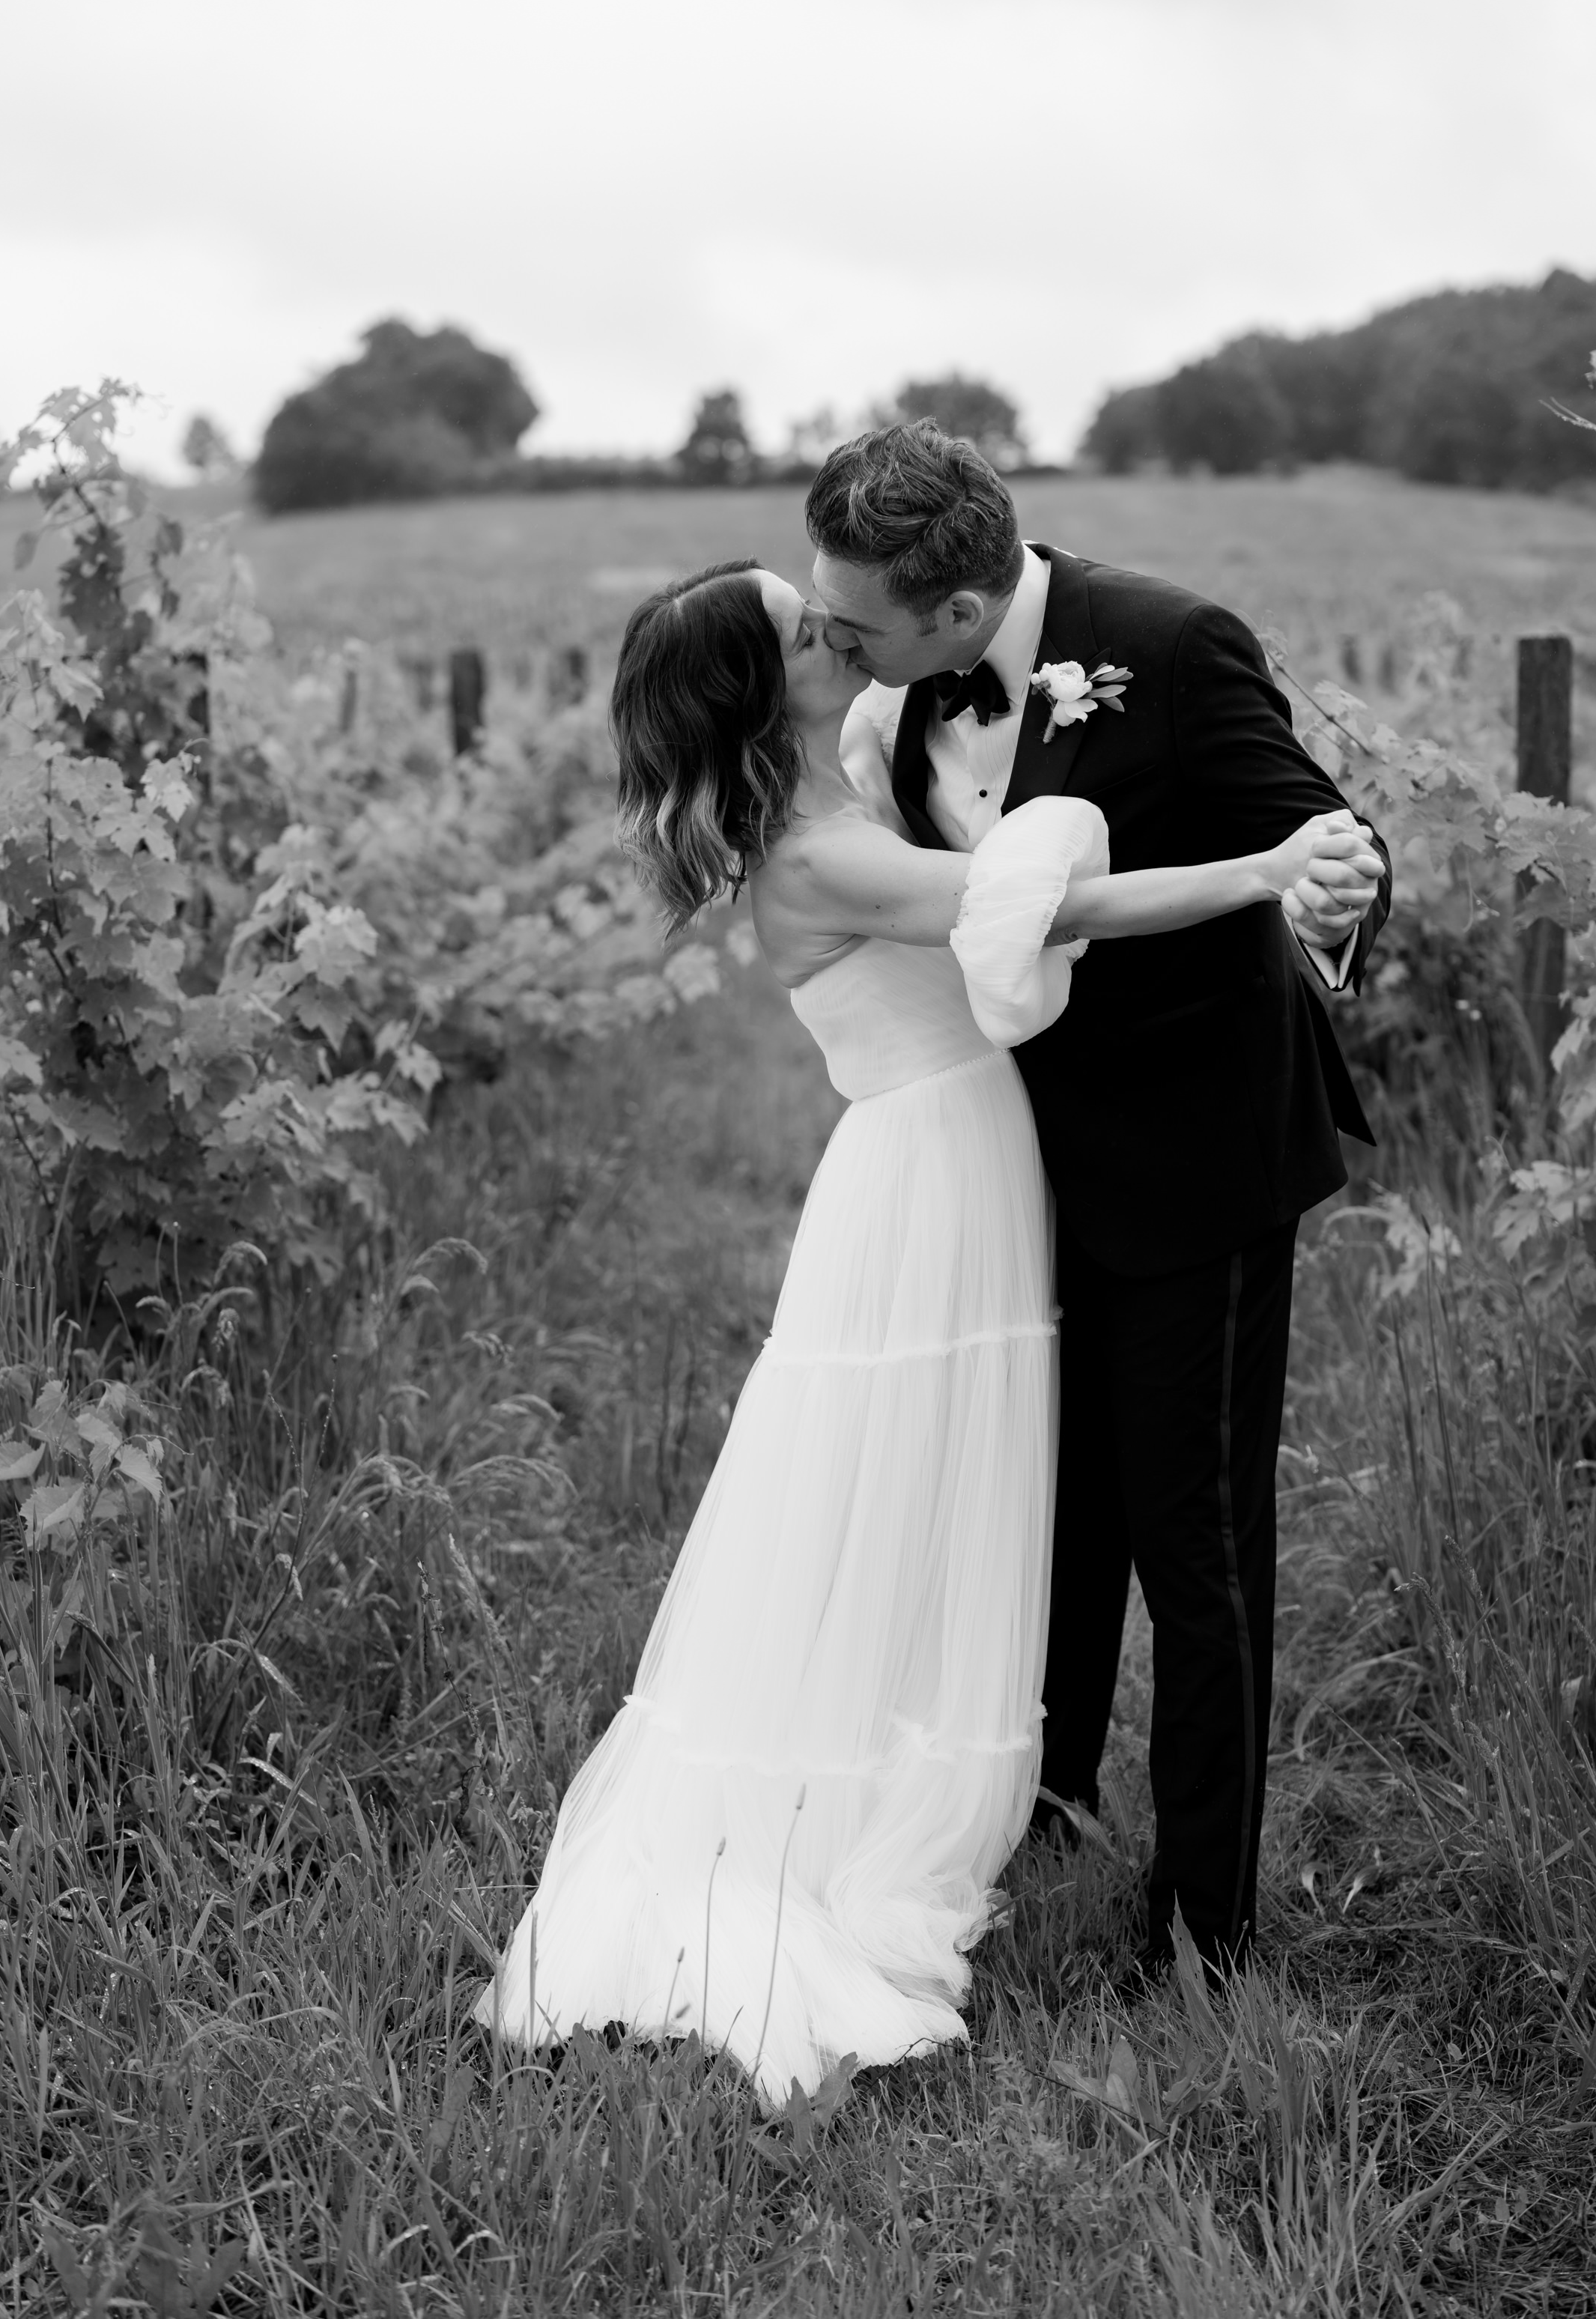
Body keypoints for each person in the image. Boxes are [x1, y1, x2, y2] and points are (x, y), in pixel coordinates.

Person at [474, 557, 1381, 2100]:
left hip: (974, 1159)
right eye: (800, 626)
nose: (832, 628)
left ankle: (1013, 1777)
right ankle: (897, 1801)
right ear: (771, 692)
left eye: (822, 606)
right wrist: (1259, 868)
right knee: (917, 1483)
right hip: (932, 1175)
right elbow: (1056, 900)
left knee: (972, 1487)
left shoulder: (859, 763)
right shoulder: (820, 852)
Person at [809, 422, 1391, 1979]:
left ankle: (1203, 1922)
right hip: (1015, 1164)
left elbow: (1323, 837)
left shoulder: (1171, 645)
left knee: (1193, 1540)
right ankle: (1042, 1806)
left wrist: (1331, 893)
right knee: (1045, 1500)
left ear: (953, 607)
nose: (828, 638)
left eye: (851, 618)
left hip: (1199, 1158)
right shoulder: (889, 698)